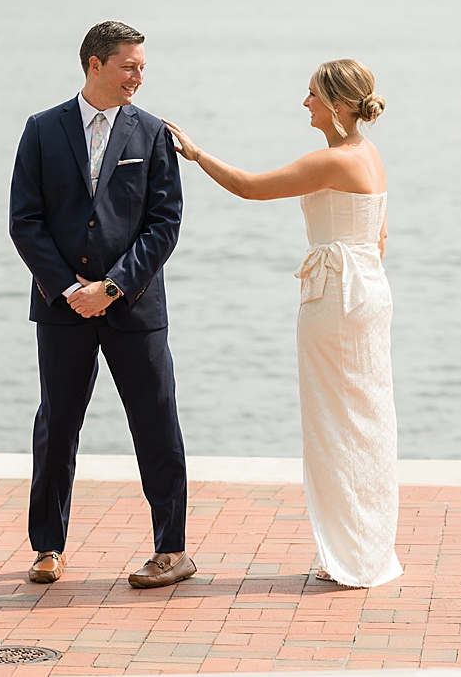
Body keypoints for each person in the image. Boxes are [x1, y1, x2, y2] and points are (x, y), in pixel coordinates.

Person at [164, 59, 402, 588]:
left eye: (313, 94)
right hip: (367, 289)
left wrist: (196, 154)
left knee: (334, 423)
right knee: (366, 416)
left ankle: (352, 554)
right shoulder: (370, 155)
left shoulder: (333, 161)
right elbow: (381, 238)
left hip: (336, 297)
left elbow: (250, 187)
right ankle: (365, 546)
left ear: (338, 105)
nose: (305, 103)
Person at [8, 21, 197, 589]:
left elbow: (165, 224)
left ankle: (171, 549)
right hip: (60, 306)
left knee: (156, 422)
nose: (139, 76)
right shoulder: (42, 130)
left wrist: (112, 287)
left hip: (134, 307)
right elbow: (25, 221)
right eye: (129, 66)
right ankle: (48, 547)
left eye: (142, 66)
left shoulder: (153, 134)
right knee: (57, 424)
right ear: (95, 64)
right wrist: (70, 289)